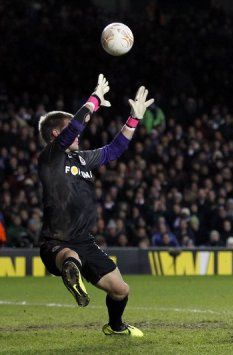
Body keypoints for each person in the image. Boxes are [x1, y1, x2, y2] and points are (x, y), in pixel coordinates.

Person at [38, 74, 154, 337]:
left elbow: (114, 150)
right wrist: (93, 101)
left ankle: (115, 326)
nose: (79, 133)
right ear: (57, 133)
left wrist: (133, 119)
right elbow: (75, 128)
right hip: (55, 241)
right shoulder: (49, 158)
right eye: (70, 129)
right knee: (71, 257)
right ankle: (72, 274)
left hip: (84, 241)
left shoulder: (82, 160)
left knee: (121, 289)